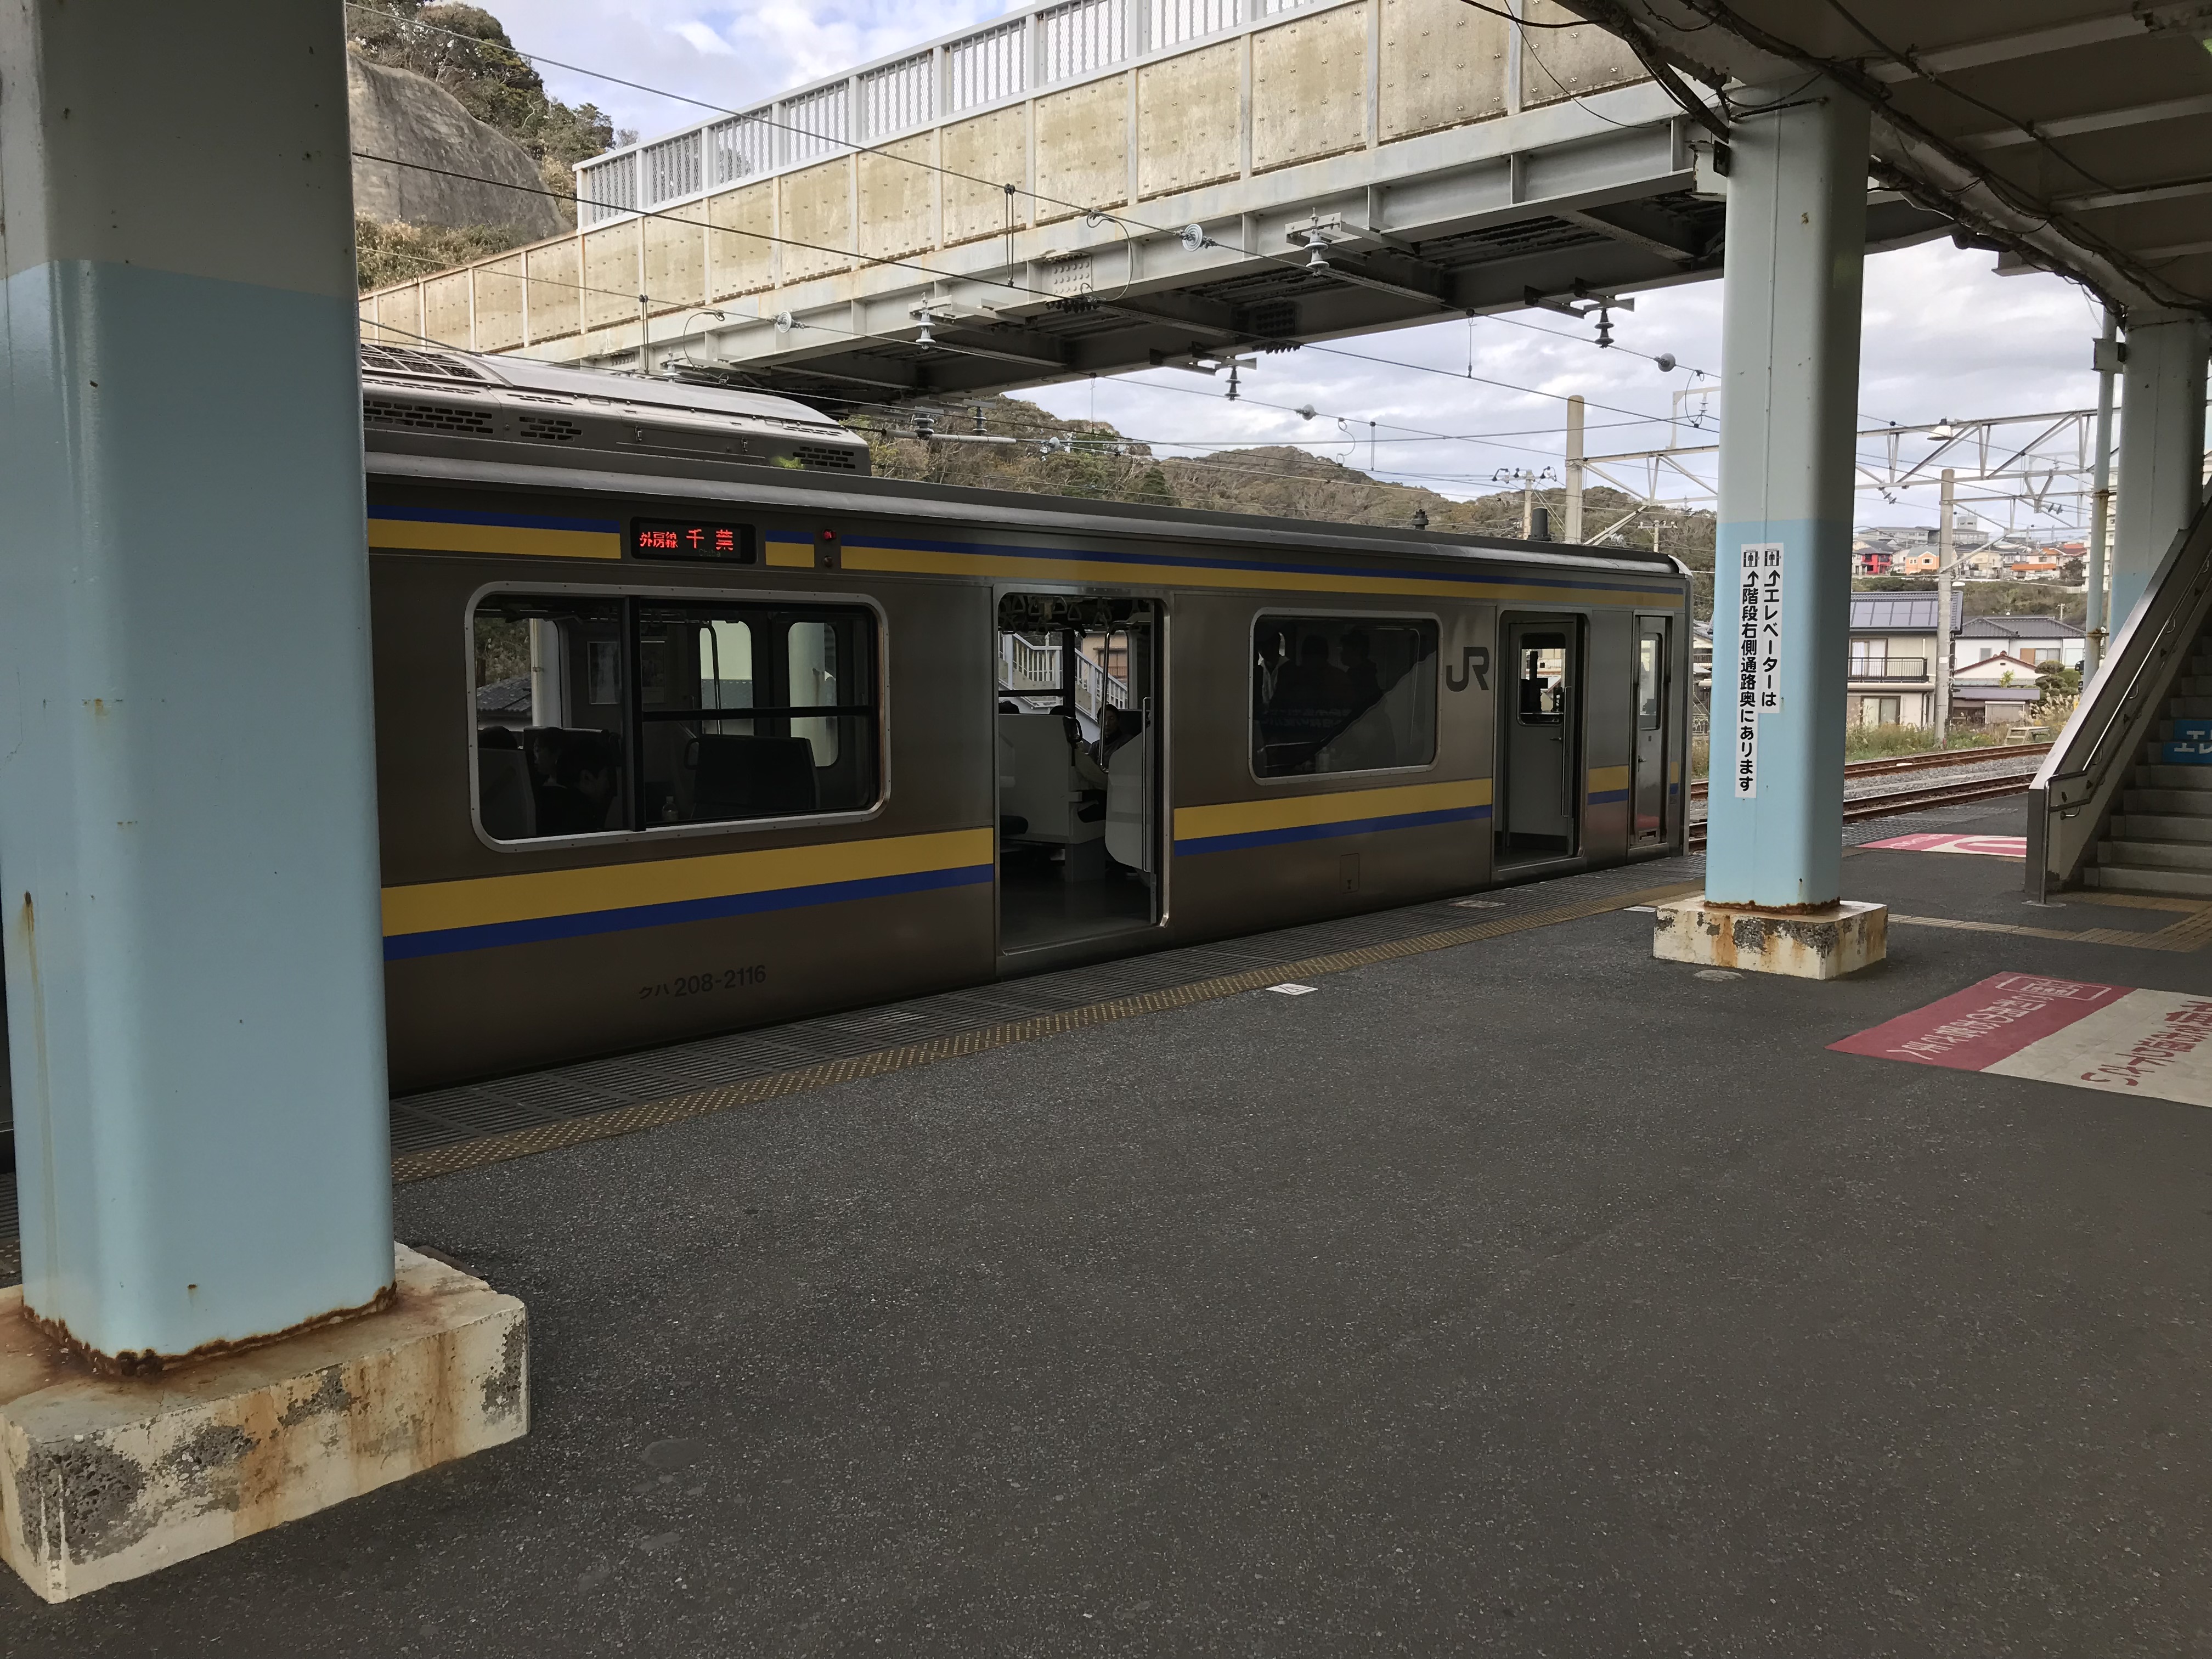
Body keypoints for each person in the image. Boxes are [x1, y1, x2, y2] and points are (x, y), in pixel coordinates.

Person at [537, 731, 620, 835]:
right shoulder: (581, 817)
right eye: (605, 777)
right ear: (586, 778)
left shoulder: (542, 800)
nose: (608, 785)